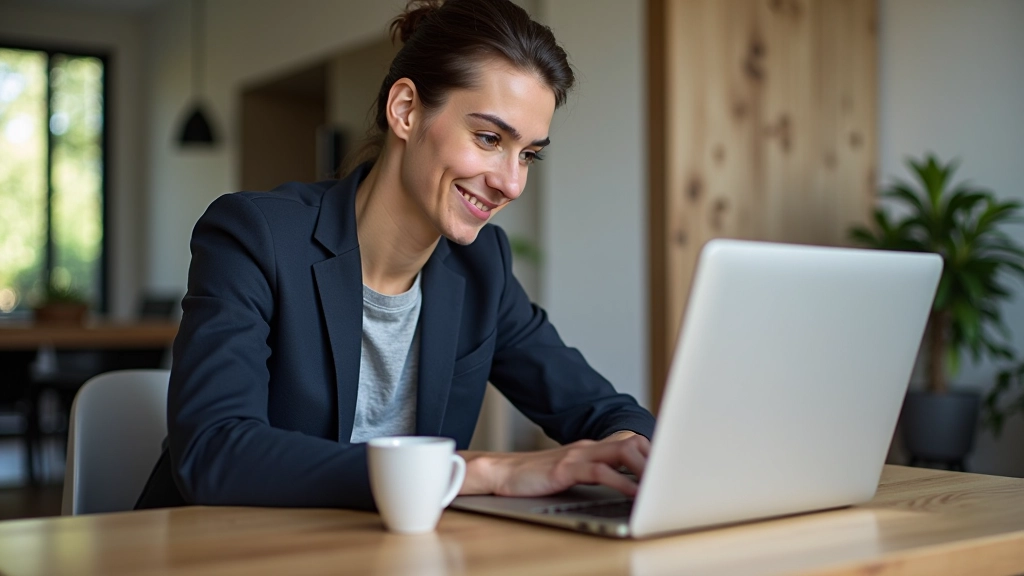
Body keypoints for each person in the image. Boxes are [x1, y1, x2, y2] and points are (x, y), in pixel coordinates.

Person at [136, 0, 655, 511]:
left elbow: (605, 411)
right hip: (224, 548)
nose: (511, 183)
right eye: (488, 138)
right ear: (405, 110)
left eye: (528, 156)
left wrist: (632, 451)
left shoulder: (483, 268)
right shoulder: (256, 236)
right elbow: (214, 450)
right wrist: (482, 471)